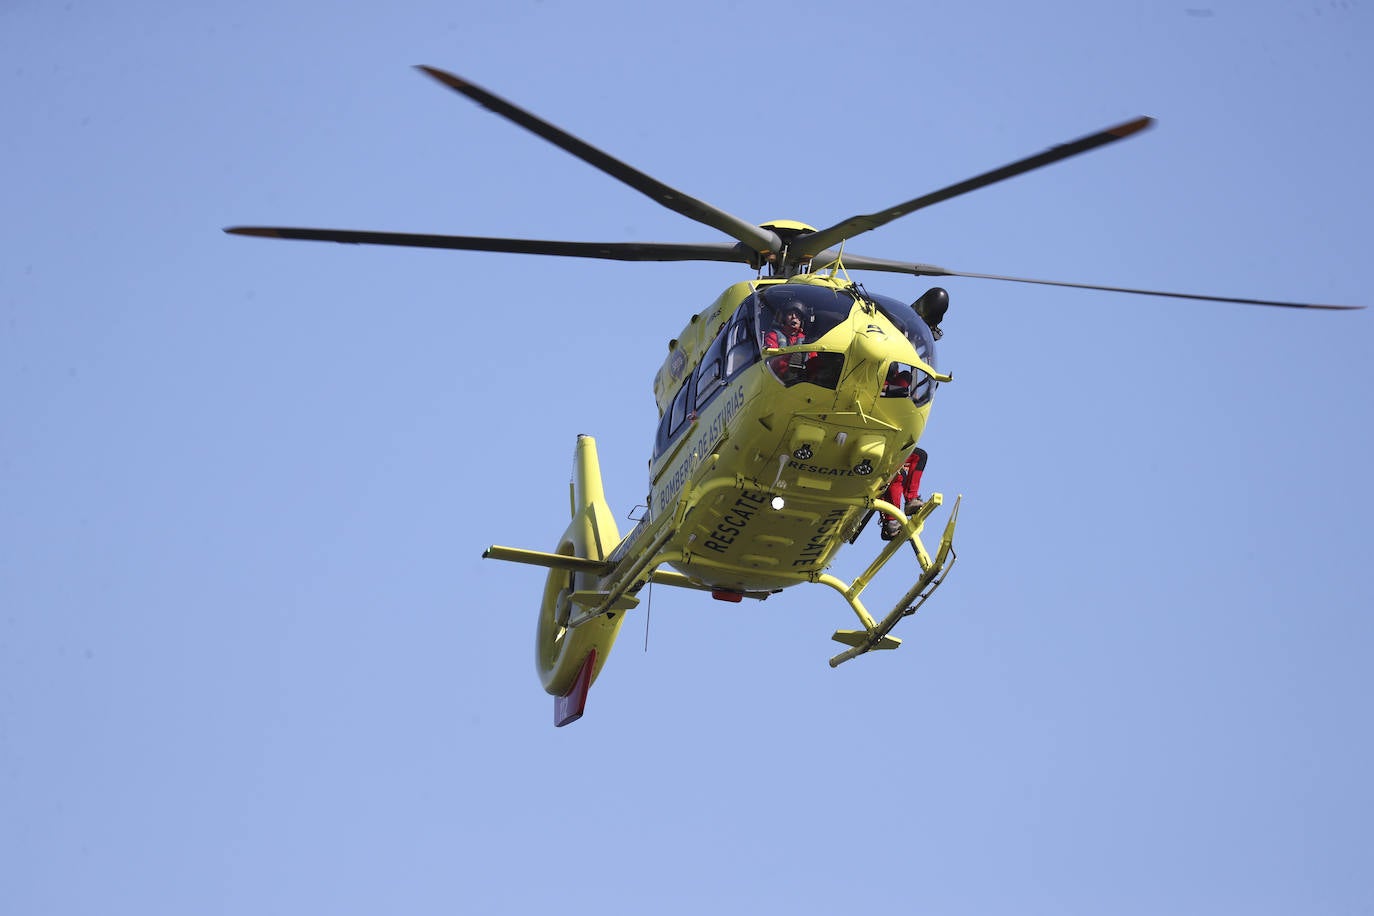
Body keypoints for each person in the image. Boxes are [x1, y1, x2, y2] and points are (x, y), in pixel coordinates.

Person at [881, 447, 927, 540]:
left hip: (886, 448)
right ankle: (892, 521)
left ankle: (911, 500)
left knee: (919, 456)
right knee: (898, 476)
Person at [763, 302, 808, 376]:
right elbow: (769, 363)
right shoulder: (773, 336)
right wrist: (789, 357)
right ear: (784, 318)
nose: (794, 317)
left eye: (797, 314)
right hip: (779, 378)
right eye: (790, 314)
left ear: (801, 320)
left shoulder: (807, 340)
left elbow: (814, 363)